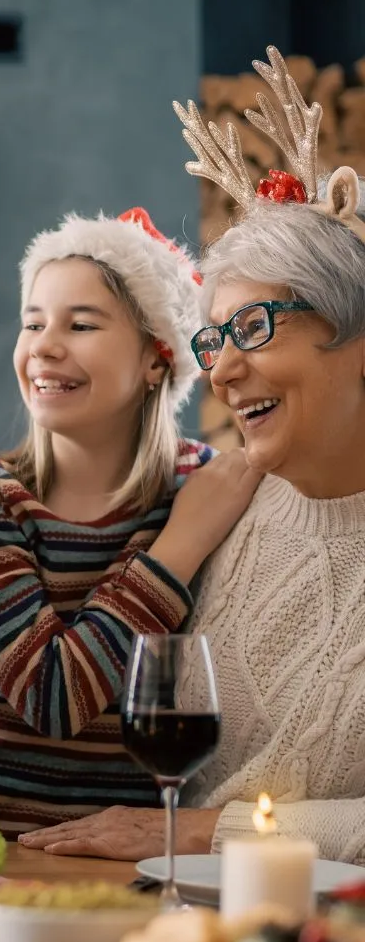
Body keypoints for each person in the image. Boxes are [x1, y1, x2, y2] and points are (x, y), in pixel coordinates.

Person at [21, 46, 365, 863]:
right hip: (176, 916)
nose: (223, 368)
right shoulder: (216, 506)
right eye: (214, 340)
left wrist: (205, 834)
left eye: (255, 330)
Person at [0, 208, 260, 837]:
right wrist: (180, 544)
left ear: (157, 360)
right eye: (32, 323)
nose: (43, 345)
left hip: (123, 849)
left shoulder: (211, 486)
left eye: (81, 324)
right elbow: (52, 698)